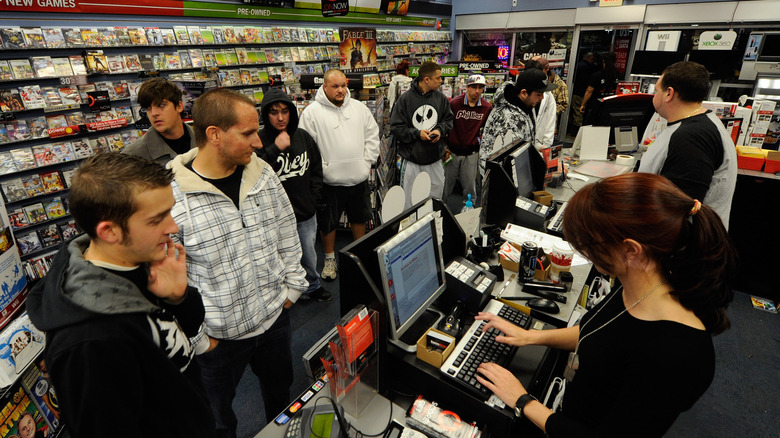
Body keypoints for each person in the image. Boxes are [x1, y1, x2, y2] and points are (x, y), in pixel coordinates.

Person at [475, 172, 737, 437]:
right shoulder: (639, 283)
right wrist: (531, 336)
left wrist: (523, 400)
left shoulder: (676, 355)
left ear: (631, 250)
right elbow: (601, 333)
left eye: (590, 244)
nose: (586, 252)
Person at [26, 152, 215, 437]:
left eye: (170, 211)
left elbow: (178, 335)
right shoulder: (88, 343)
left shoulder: (135, 261)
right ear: (109, 231)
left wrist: (178, 298)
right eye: (156, 219)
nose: (173, 227)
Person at [169, 88, 307, 437]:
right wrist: (200, 338)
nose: (259, 142)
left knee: (281, 398)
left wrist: (292, 288)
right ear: (214, 134)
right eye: (247, 133)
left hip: (274, 318)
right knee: (218, 421)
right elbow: (168, 280)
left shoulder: (262, 174)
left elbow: (287, 231)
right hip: (218, 338)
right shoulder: (171, 197)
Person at [299, 69, 380, 281]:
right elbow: (307, 146)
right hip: (329, 182)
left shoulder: (360, 108)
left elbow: (372, 136)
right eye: (335, 86)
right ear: (324, 87)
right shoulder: (312, 112)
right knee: (328, 223)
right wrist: (322, 170)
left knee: (360, 218)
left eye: (343, 85)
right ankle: (329, 259)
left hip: (358, 177)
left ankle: (358, 254)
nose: (341, 90)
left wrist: (366, 163)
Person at [638, 61, 737, 229]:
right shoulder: (697, 123)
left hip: (685, 247)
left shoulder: (692, 137)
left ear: (669, 93)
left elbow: (678, 209)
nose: (654, 97)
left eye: (656, 91)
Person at [257, 87, 331, 302]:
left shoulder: (303, 137)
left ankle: (312, 286)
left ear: (292, 111)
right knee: (277, 258)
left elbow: (316, 169)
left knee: (308, 253)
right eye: (273, 112)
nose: (280, 118)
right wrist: (274, 150)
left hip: (305, 212)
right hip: (273, 216)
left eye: (284, 111)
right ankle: (282, 295)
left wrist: (314, 200)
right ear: (265, 114)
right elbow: (254, 174)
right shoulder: (259, 140)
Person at [390, 61, 454, 208]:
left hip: (434, 158)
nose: (441, 81)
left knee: (436, 198)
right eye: (438, 78)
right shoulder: (405, 100)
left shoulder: (441, 99)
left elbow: (448, 121)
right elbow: (396, 127)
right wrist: (417, 134)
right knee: (408, 201)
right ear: (426, 79)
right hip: (412, 159)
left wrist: (439, 130)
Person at [480, 68, 557, 173]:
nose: (542, 98)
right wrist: (546, 170)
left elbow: (523, 141)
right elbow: (509, 161)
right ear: (524, 93)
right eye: (539, 94)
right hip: (499, 180)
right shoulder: (508, 118)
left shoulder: (524, 107)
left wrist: (538, 148)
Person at [123, 77, 196, 165]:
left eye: (161, 105)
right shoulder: (132, 157)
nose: (154, 113)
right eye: (148, 108)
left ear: (179, 106)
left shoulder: (206, 141)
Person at [444, 74, 492, 206]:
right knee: (445, 186)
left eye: (480, 87)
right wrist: (444, 146)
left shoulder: (486, 108)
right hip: (452, 152)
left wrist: (479, 141)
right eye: (474, 87)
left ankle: (468, 211)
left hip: (471, 153)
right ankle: (440, 210)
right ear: (467, 87)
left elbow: (488, 130)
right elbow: (445, 125)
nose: (477, 91)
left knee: (470, 187)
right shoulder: (455, 103)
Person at [524, 59, 557, 151]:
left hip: (540, 147)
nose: (542, 97)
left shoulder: (548, 95)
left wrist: (545, 147)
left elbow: (550, 120)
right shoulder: (520, 99)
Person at [579, 52, 619, 119]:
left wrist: (583, 104)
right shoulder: (619, 75)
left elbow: (589, 91)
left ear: (603, 61)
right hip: (611, 106)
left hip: (596, 106)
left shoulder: (597, 75)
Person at [570, 52, 596, 132]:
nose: (593, 61)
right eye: (592, 59)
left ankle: (575, 130)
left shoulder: (578, 65)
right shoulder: (588, 67)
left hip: (577, 91)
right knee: (579, 112)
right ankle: (577, 131)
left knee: (577, 112)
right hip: (581, 92)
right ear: (588, 58)